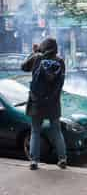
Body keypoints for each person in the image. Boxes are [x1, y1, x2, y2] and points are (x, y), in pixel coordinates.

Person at [21, 38, 67, 170]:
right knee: (56, 131)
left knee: (35, 131)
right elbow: (61, 81)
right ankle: (62, 159)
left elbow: (23, 67)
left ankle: (34, 161)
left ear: (44, 47)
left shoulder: (37, 58)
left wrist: (34, 52)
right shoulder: (60, 61)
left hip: (37, 102)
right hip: (53, 101)